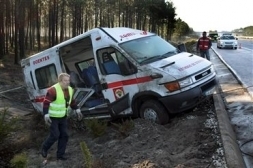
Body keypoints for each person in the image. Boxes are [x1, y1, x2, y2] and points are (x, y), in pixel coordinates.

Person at [41, 73, 83, 161]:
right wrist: (46, 114)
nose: (67, 82)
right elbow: (46, 103)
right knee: (55, 135)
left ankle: (60, 155)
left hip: (63, 117)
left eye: (68, 80)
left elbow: (72, 102)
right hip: (53, 117)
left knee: (64, 135)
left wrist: (77, 109)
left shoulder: (70, 90)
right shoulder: (53, 90)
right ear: (60, 81)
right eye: (65, 81)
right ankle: (44, 148)